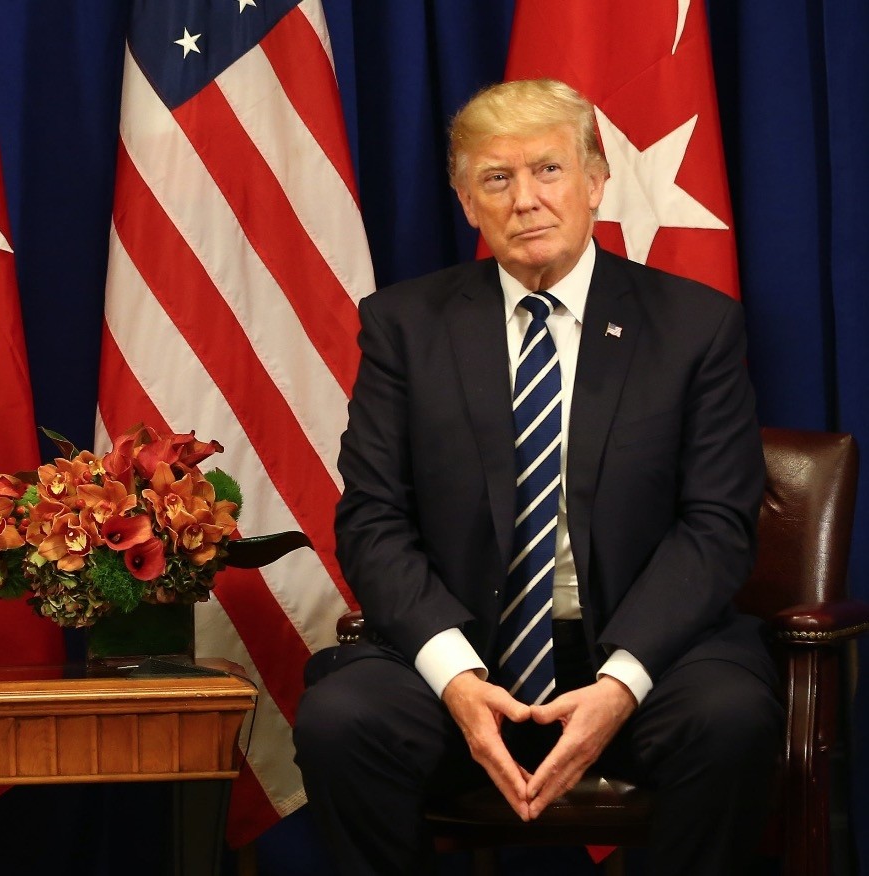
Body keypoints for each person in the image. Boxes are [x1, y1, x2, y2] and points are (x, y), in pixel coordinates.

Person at [293, 79, 780, 875]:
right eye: (497, 178)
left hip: (639, 653)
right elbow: (372, 519)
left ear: (595, 181)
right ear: (467, 202)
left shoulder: (696, 326)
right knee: (341, 720)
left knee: (730, 718)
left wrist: (621, 682)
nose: (526, 199)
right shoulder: (404, 326)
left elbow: (716, 525)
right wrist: (455, 676)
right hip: (466, 653)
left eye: (549, 170)